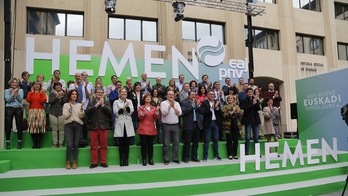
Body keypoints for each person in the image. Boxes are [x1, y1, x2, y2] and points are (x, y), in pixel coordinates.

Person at [85, 88, 112, 168]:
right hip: (93, 126)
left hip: (104, 126)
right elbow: (87, 112)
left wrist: (102, 105)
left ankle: (103, 162)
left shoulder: (106, 102)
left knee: (104, 145)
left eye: (101, 92)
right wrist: (96, 105)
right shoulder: (91, 102)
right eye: (98, 92)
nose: (100, 93)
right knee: (94, 146)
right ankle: (94, 162)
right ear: (95, 94)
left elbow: (110, 113)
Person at [63, 90, 85, 169]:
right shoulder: (66, 105)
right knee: (69, 145)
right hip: (68, 125)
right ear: (70, 95)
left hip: (78, 125)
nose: (74, 95)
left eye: (76, 94)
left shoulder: (79, 105)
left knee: (76, 144)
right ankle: (67, 161)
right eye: (73, 94)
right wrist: (70, 110)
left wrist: (82, 110)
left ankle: (75, 161)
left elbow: (81, 116)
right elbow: (65, 116)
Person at [114, 88, 135, 166]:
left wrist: (127, 106)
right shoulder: (116, 102)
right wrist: (124, 107)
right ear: (119, 93)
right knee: (121, 143)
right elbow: (116, 113)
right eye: (122, 92)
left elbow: (131, 111)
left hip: (128, 123)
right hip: (120, 123)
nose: (124, 93)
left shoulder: (129, 101)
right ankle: (121, 160)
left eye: (125, 92)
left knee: (127, 143)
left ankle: (126, 159)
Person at [160, 90, 182, 165]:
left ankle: (175, 158)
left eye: (172, 95)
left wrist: (174, 107)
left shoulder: (177, 103)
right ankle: (166, 159)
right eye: (169, 94)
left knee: (176, 143)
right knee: (166, 143)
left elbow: (180, 113)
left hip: (175, 125)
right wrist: (170, 106)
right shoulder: (163, 103)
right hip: (166, 125)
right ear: (166, 95)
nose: (171, 96)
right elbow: (164, 113)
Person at [137, 94, 160, 166]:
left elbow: (156, 117)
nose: (148, 98)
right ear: (144, 99)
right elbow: (139, 118)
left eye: (149, 97)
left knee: (150, 145)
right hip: (143, 128)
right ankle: (144, 159)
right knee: (143, 145)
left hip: (151, 128)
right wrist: (142, 114)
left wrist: (157, 113)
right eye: (147, 97)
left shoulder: (154, 108)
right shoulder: (141, 107)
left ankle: (151, 159)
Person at [200, 90, 222, 161]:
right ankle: (205, 156)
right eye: (210, 94)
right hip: (208, 123)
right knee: (206, 140)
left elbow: (219, 113)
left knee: (216, 139)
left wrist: (217, 108)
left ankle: (216, 155)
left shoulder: (217, 102)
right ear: (207, 95)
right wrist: (211, 108)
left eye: (213, 94)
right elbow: (203, 112)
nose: (212, 95)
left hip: (215, 122)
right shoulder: (204, 103)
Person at [181, 91, 203, 163]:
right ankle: (186, 157)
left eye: (195, 94)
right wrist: (193, 106)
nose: (194, 96)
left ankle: (194, 157)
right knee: (187, 142)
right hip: (188, 124)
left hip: (196, 124)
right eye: (192, 94)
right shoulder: (184, 102)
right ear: (189, 95)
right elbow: (184, 112)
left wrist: (198, 106)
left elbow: (201, 112)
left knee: (196, 142)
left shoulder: (197, 102)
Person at [240, 88, 262, 155]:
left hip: (255, 120)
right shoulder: (244, 100)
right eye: (249, 92)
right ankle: (246, 153)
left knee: (256, 137)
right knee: (248, 137)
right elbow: (246, 109)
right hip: (248, 120)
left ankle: (257, 153)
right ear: (246, 93)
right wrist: (253, 104)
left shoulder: (255, 99)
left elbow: (259, 108)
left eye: (251, 92)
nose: (250, 93)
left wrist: (256, 102)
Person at [26, 81, 47, 149]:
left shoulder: (42, 93)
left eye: (38, 84)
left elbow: (43, 100)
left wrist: (40, 94)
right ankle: (34, 143)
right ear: (33, 86)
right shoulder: (30, 93)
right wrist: (32, 93)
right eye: (35, 84)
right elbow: (28, 100)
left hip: (40, 111)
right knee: (33, 128)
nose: (37, 85)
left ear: (40, 86)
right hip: (32, 111)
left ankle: (38, 143)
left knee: (39, 127)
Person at [4, 78, 24, 149]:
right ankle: (8, 142)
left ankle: (19, 142)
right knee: (8, 125)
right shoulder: (6, 91)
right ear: (10, 83)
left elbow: (20, 99)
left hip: (18, 108)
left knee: (19, 125)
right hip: (9, 108)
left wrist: (16, 92)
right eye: (13, 82)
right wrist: (12, 93)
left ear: (18, 84)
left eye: (16, 82)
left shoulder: (21, 90)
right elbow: (8, 100)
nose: (14, 84)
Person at [222, 95, 243, 159]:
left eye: (232, 98)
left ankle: (235, 154)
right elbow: (224, 115)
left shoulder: (237, 106)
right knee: (229, 140)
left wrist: (239, 112)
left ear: (234, 100)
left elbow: (239, 115)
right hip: (228, 125)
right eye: (229, 98)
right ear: (227, 100)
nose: (230, 99)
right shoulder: (225, 107)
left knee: (236, 140)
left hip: (236, 124)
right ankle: (230, 154)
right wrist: (232, 112)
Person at [48, 82, 67, 148]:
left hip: (62, 112)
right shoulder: (52, 94)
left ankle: (61, 142)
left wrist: (61, 98)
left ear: (61, 87)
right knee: (54, 129)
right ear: (54, 87)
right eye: (56, 86)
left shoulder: (64, 94)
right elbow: (50, 102)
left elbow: (65, 102)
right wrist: (57, 97)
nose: (58, 87)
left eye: (59, 85)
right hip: (52, 112)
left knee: (61, 128)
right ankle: (55, 143)